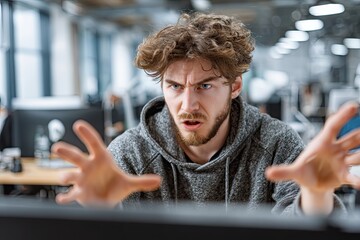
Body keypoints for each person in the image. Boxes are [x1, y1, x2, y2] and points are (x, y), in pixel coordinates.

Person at [52, 12, 360, 216]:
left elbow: (301, 229)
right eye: (174, 86)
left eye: (205, 86)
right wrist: (98, 213)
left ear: (235, 85)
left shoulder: (277, 143)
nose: (187, 105)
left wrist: (316, 195)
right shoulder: (131, 152)